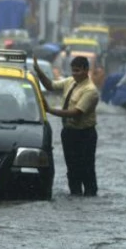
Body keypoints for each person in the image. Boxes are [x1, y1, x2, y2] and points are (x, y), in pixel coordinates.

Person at [32, 55, 100, 197]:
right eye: (73, 71)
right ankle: (75, 195)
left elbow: (76, 113)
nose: (75, 74)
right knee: (72, 169)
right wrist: (38, 72)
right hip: (69, 132)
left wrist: (50, 110)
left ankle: (90, 196)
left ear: (86, 70)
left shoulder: (90, 90)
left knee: (87, 169)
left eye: (78, 71)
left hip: (85, 134)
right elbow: (50, 85)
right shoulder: (70, 81)